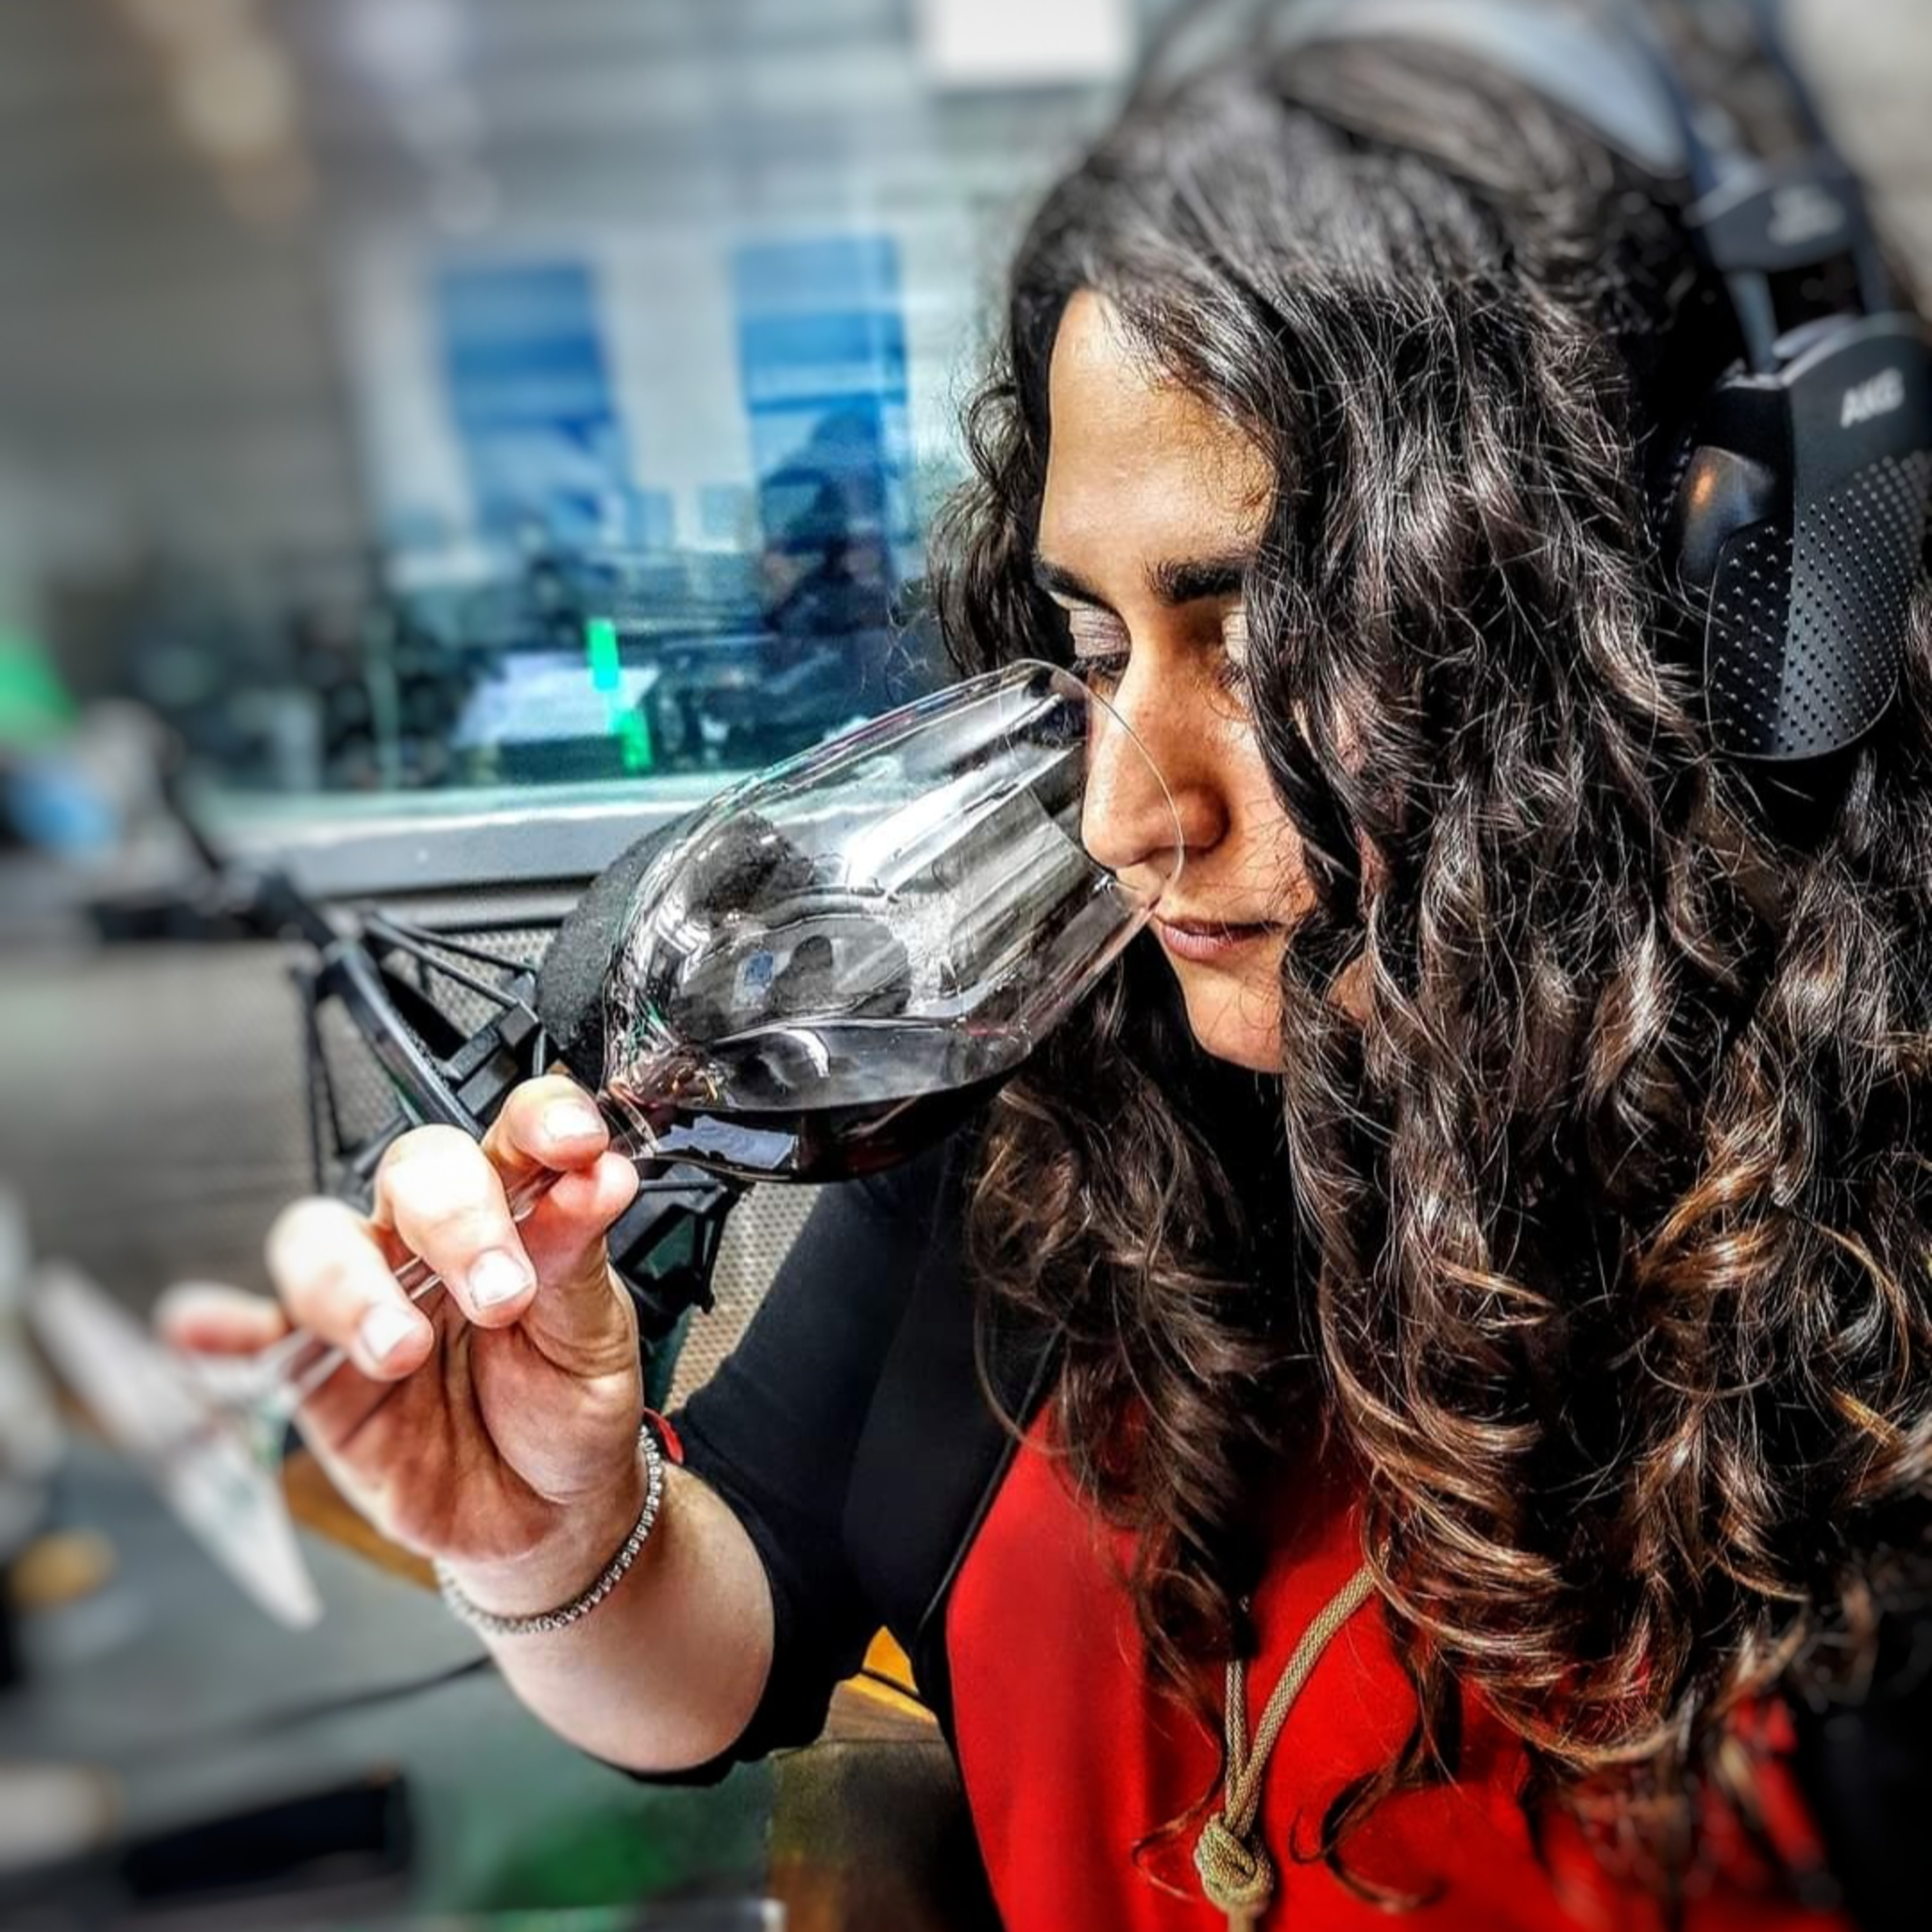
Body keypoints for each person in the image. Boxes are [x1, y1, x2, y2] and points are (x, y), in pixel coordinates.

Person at [164, 6, 1932, 1928]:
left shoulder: (1864, 1298)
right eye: (1097, 649)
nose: (1121, 813)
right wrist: (550, 1539)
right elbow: (729, 1638)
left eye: (1277, 649)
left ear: (1672, 629)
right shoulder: (1065, 1110)